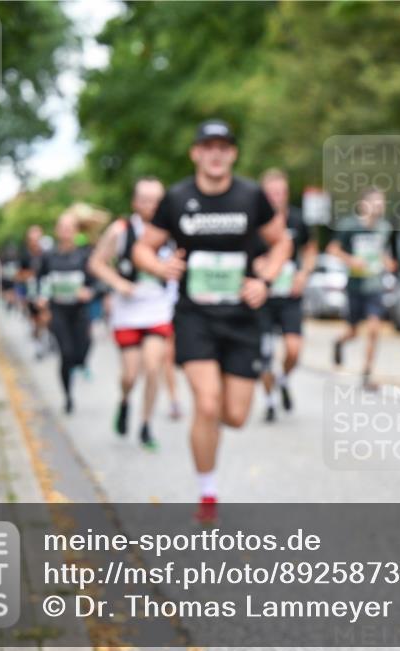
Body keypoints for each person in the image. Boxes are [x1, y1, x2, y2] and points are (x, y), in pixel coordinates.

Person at [133, 119, 291, 524]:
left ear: (233, 154)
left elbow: (281, 241)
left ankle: (214, 418)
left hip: (242, 318)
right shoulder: (177, 197)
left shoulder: (252, 196)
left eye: (224, 146)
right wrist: (160, 266)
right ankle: (208, 493)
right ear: (196, 153)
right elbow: (143, 249)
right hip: (195, 316)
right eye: (208, 146)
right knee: (206, 402)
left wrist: (266, 280)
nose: (216, 153)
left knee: (234, 416)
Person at [88, 177, 174, 450]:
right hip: (128, 311)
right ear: (136, 203)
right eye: (146, 200)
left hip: (158, 308)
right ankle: (124, 401)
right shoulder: (121, 230)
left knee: (152, 367)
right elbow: (96, 263)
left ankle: (146, 425)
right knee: (130, 374)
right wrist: (119, 284)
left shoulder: (173, 229)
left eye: (157, 200)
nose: (151, 206)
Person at [255, 168, 318, 422]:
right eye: (271, 193)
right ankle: (270, 400)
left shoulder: (297, 220)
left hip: (289, 296)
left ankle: (282, 381)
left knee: (293, 350)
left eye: (280, 192)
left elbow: (311, 249)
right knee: (265, 355)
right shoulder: (254, 221)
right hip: (263, 299)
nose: (276, 197)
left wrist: (303, 274)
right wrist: (256, 267)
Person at [328, 188, 396, 391]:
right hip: (355, 285)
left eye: (381, 202)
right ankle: (339, 342)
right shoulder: (350, 226)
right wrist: (351, 261)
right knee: (353, 331)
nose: (378, 206)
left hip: (375, 285)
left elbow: (383, 251)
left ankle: (367, 372)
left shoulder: (384, 228)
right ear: (363, 204)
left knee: (374, 329)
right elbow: (332, 249)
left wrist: (388, 262)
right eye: (374, 202)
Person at [37, 212, 96, 414]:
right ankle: (68, 396)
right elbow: (41, 281)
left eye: (70, 228)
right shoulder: (48, 256)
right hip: (58, 311)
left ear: (76, 231)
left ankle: (81, 364)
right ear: (56, 230)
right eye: (62, 227)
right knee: (66, 354)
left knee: (84, 347)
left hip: (79, 311)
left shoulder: (84, 255)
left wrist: (90, 291)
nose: (66, 231)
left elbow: (96, 282)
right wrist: (41, 299)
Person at [17, 226, 50, 359]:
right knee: (35, 321)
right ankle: (38, 343)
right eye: (33, 239)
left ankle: (45, 339)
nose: (35, 242)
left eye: (38, 239)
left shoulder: (47, 254)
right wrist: (29, 275)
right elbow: (19, 275)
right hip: (30, 292)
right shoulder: (25, 255)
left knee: (46, 317)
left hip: (45, 290)